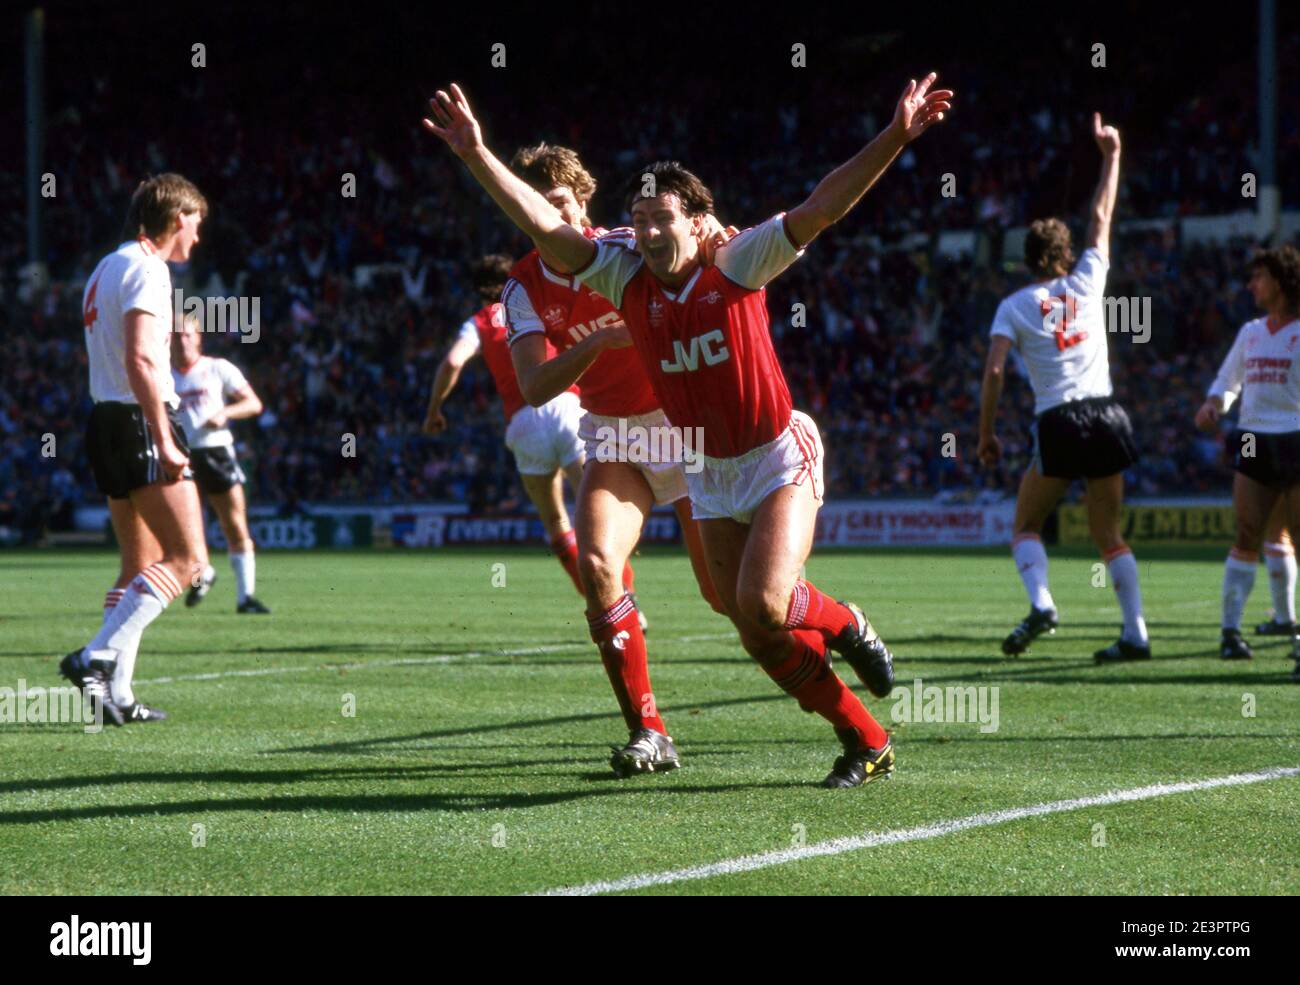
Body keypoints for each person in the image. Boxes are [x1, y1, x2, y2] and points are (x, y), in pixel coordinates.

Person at [423, 74, 953, 786]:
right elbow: (545, 263)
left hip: (736, 447)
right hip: (664, 450)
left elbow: (822, 208)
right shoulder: (606, 275)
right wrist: (474, 154)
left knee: (753, 606)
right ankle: (832, 738)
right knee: (695, 604)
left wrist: (897, 134)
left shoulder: (717, 260)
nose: (644, 231)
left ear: (696, 222)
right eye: (638, 219)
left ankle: (845, 625)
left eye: (660, 218)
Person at [500, 143, 730, 777]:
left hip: (683, 430)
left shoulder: (632, 242)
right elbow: (537, 387)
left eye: (562, 204)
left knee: (727, 595)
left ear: (584, 200)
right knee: (599, 561)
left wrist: (717, 233)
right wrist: (601, 338)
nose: (554, 219)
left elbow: (705, 240)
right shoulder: (520, 287)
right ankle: (650, 731)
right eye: (538, 208)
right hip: (614, 435)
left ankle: (836, 626)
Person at [978, 114, 1149, 664]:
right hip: (1107, 413)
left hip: (1059, 420)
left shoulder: (1013, 306)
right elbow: (1101, 215)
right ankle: (1136, 634)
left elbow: (996, 372)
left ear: (1026, 259)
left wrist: (985, 434)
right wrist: (1112, 155)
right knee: (1109, 533)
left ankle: (1044, 603)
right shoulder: (1087, 280)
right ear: (1065, 254)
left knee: (1027, 524)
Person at [60, 173, 210, 724]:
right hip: (141, 419)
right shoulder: (150, 269)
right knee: (188, 559)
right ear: (177, 219)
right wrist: (166, 438)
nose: (196, 237)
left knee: (137, 566)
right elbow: (144, 360)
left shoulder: (104, 267)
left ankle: (115, 696)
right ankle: (95, 657)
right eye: (196, 224)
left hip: (105, 418)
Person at [423, 254, 588, 597]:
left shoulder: (479, 323)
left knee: (556, 523)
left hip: (524, 422)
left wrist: (435, 409)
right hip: (567, 405)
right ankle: (625, 602)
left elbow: (453, 360)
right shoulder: (535, 302)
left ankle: (598, 605)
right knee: (594, 510)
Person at [1194, 243, 1300, 677]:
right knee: (1246, 532)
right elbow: (1228, 379)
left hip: (1296, 438)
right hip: (1254, 437)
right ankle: (1230, 633)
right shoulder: (1251, 331)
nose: (1252, 285)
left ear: (1280, 280)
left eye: (1259, 277)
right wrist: (1214, 403)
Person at [171, 313, 271, 613]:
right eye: (176, 336)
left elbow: (253, 403)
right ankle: (205, 575)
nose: (182, 340)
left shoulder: (217, 368)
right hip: (180, 456)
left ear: (199, 337)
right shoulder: (164, 375)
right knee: (187, 533)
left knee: (234, 525)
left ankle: (246, 598)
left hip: (216, 453)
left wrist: (225, 413)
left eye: (188, 334)